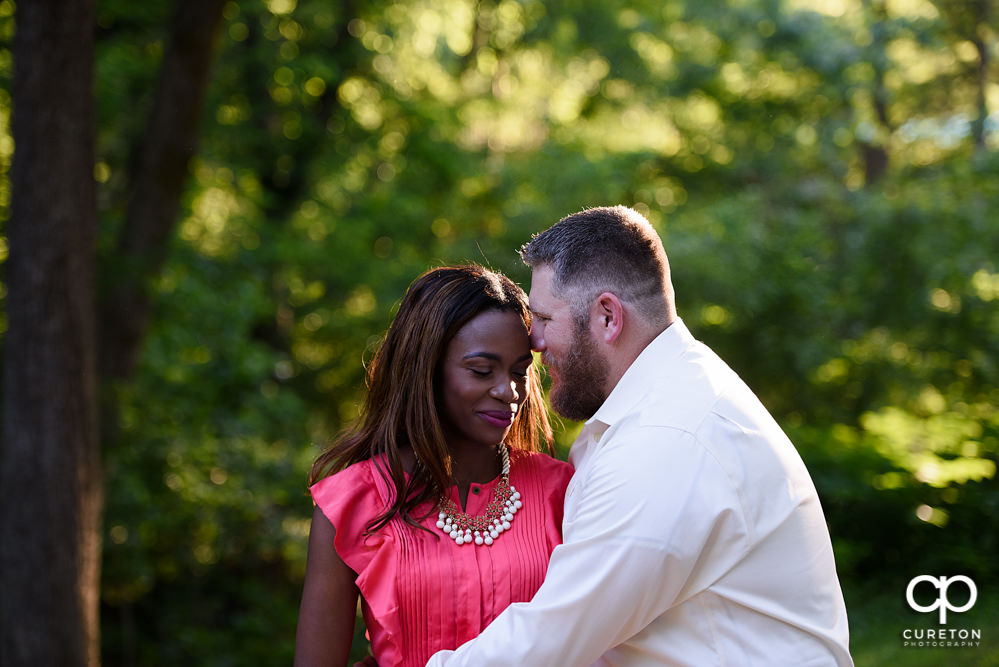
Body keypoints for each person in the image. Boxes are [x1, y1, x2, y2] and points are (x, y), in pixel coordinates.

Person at [427, 206, 853, 666]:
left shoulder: (668, 438)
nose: (533, 342)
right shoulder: (674, 402)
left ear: (608, 317)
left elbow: (552, 640)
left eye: (545, 319)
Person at [294, 264, 574, 667]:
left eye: (519, 372)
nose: (507, 391)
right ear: (426, 368)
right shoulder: (353, 502)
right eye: (482, 370)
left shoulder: (562, 490)